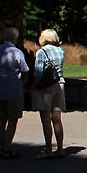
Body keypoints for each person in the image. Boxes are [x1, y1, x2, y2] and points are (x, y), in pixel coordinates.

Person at [0, 27, 30, 159]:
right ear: (16, 38)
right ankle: (7, 148)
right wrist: (23, 83)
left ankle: (3, 146)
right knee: (12, 120)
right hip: (14, 90)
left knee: (1, 119)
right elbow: (25, 69)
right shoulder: (17, 53)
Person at [33, 28, 67, 158]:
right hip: (59, 84)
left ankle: (48, 148)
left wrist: (33, 85)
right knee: (57, 118)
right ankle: (60, 148)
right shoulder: (60, 51)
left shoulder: (42, 52)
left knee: (46, 119)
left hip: (46, 86)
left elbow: (38, 72)